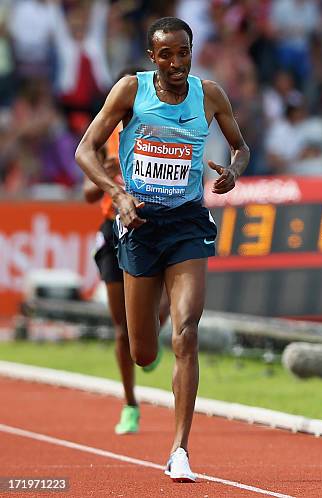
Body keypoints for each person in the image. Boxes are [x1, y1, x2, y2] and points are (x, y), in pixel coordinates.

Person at [75, 17, 250, 482]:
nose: (176, 63)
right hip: (139, 224)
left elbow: (241, 147)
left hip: (188, 223)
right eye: (166, 54)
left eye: (183, 52)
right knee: (141, 351)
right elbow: (85, 150)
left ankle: (179, 450)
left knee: (187, 332)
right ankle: (155, 329)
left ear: (192, 52)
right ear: (152, 57)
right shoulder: (130, 90)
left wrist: (232, 171)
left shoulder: (209, 94)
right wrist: (117, 194)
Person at [83, 67, 170, 436]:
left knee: (162, 304)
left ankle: (150, 337)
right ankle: (130, 404)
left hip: (154, 223)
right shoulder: (104, 135)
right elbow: (87, 194)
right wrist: (109, 169)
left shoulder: (158, 127)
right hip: (114, 228)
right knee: (122, 327)